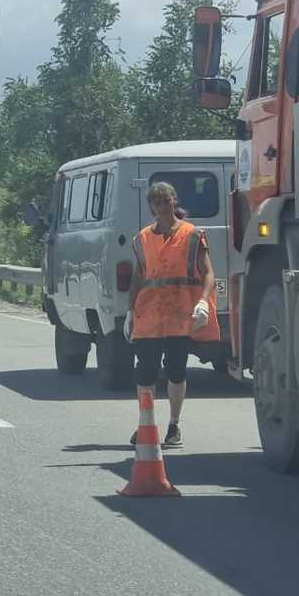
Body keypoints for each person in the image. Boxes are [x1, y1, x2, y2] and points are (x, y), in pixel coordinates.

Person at [125, 181, 216, 449]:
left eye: (166, 201)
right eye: (157, 203)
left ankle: (174, 425)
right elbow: (138, 277)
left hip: (180, 315)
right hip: (149, 315)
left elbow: (208, 272)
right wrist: (130, 311)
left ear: (174, 201)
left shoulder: (192, 234)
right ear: (150, 207)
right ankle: (146, 423)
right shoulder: (142, 238)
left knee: (176, 371)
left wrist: (203, 302)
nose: (162, 207)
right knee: (145, 372)